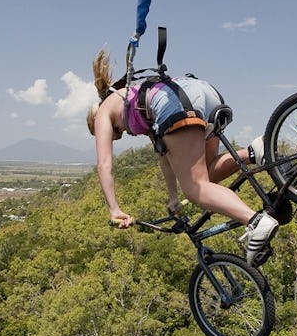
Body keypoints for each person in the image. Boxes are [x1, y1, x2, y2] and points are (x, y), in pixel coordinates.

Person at [86, 48, 279, 266]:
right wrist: (173, 197)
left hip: (177, 104)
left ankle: (255, 222)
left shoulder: (103, 111)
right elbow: (164, 155)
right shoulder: (134, 99)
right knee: (207, 175)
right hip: (202, 92)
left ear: (95, 121)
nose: (119, 134)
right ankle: (253, 153)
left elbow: (104, 165)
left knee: (196, 189)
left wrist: (114, 209)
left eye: (116, 132)